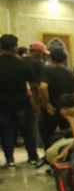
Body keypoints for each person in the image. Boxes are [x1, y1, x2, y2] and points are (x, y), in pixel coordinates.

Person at [0, 34, 41, 169]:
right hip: (21, 103)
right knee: (27, 131)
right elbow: (34, 85)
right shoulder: (23, 64)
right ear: (15, 47)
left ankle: (10, 160)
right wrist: (36, 103)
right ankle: (33, 158)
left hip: (2, 104)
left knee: (6, 132)